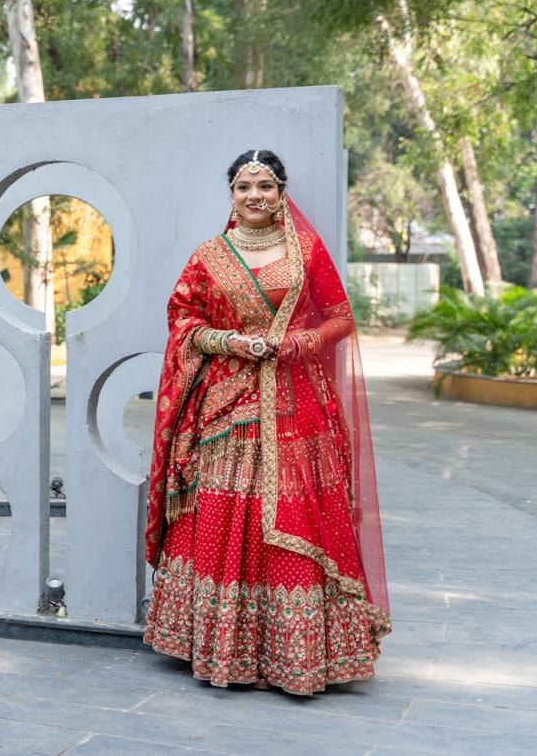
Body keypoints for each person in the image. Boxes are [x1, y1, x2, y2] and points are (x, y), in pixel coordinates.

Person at [142, 149, 390, 695]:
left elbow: (341, 318)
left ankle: (296, 653)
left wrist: (301, 342)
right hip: (225, 406)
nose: (254, 195)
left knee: (294, 513)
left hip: (296, 402)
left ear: (281, 193)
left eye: (265, 186)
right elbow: (182, 318)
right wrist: (228, 341)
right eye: (243, 186)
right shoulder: (210, 255)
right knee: (224, 510)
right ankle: (220, 645)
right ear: (231, 194)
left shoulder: (306, 250)